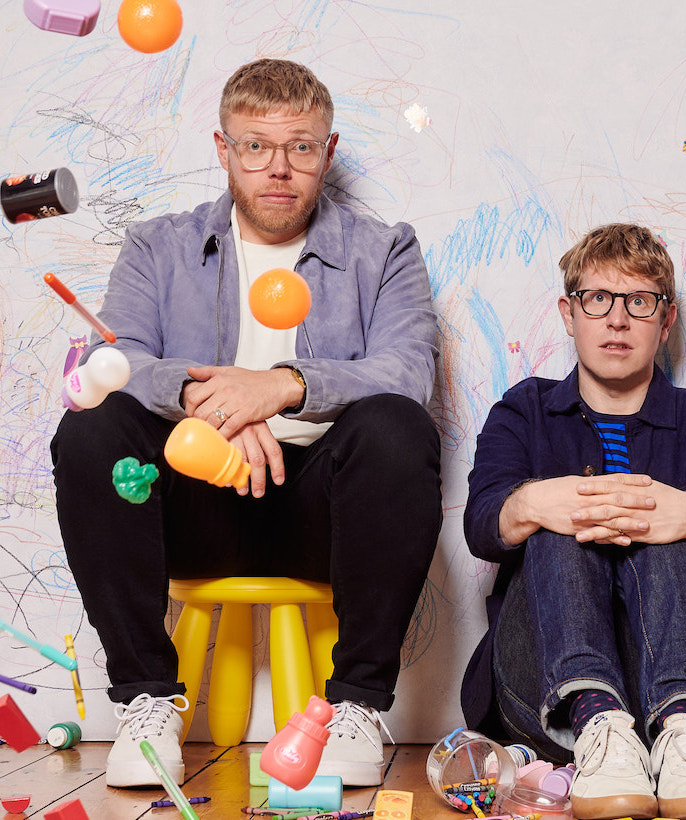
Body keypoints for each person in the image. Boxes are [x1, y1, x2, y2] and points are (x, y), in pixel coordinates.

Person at [50, 59, 442, 790]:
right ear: (223, 149)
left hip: (319, 511)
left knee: (397, 425)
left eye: (300, 147)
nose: (279, 169)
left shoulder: (383, 248)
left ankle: (356, 706)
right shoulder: (157, 244)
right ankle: (143, 702)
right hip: (187, 500)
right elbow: (121, 358)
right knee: (91, 425)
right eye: (255, 146)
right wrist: (216, 406)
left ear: (327, 153)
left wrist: (284, 387)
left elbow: (406, 370)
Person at [461, 224, 686, 820]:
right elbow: (481, 528)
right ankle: (595, 717)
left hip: (685, 675)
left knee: (662, 514)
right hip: (545, 684)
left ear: (667, 318)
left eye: (640, 301)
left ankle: (685, 727)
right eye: (597, 299)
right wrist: (535, 503)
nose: (617, 320)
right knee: (568, 512)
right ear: (568, 312)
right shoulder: (524, 409)